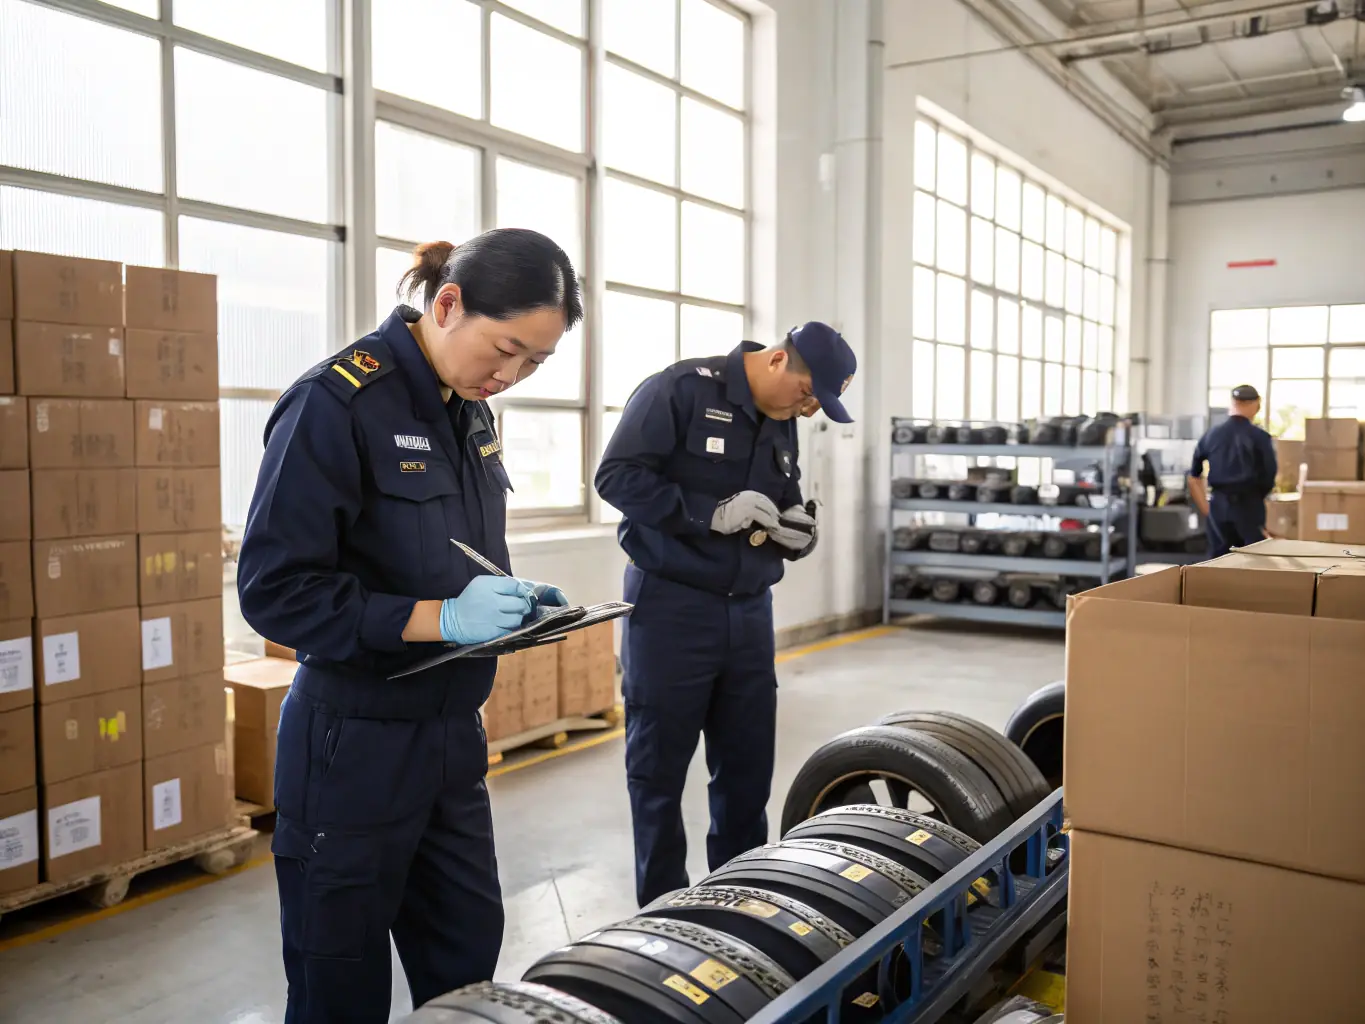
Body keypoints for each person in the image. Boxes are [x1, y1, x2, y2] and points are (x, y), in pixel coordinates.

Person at [236, 229, 581, 1024]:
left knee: (466, 961)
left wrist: (506, 601)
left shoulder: (471, 413)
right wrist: (440, 618)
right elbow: (274, 591)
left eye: (534, 363)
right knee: (339, 984)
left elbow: (447, 554)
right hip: (351, 744)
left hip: (450, 737)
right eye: (505, 350)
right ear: (449, 303)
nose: (510, 376)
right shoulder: (337, 402)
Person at [594, 322, 857, 907]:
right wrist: (707, 513)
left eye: (819, 402)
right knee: (658, 774)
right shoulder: (680, 390)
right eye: (809, 392)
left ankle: (739, 905)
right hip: (671, 609)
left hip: (749, 615)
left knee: (746, 773)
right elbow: (615, 478)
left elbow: (780, 502)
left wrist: (798, 532)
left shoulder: (784, 417)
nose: (810, 407)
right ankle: (662, 912)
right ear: (778, 360)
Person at [1187, 383, 1278, 558]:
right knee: (1253, 559)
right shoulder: (1259, 437)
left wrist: (1207, 509)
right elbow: (1269, 476)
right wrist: (1257, 500)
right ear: (1255, 404)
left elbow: (1193, 477)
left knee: (1218, 560)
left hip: (1218, 506)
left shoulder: (1211, 435)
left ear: (1232, 402)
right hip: (1249, 505)